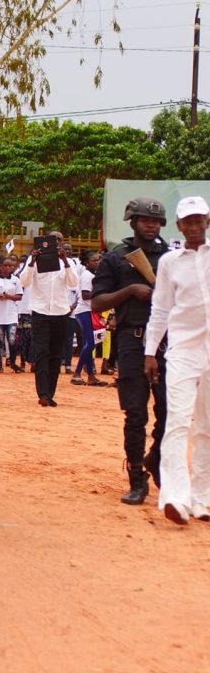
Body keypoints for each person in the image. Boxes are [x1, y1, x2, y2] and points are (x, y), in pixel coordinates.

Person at [91, 197, 169, 505]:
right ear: (132, 222)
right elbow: (97, 303)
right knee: (135, 413)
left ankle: (156, 457)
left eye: (156, 221)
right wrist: (130, 292)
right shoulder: (116, 258)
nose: (151, 225)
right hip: (131, 340)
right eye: (144, 220)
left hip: (166, 341)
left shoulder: (170, 257)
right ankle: (137, 477)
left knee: (169, 410)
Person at [144, 196, 210, 525]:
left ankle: (203, 499)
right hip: (183, 350)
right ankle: (175, 499)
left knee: (208, 428)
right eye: (189, 221)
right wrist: (150, 351)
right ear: (180, 225)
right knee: (178, 422)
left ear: (207, 222)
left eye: (201, 220)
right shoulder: (170, 262)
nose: (195, 226)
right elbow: (160, 309)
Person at [20, 231, 78, 407]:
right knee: (41, 352)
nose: (57, 244)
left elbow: (74, 282)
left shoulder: (68, 263)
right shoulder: (36, 261)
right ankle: (43, 394)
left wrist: (66, 261)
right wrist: (32, 261)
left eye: (59, 241)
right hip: (40, 312)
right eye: (54, 240)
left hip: (60, 312)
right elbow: (24, 282)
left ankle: (50, 393)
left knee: (56, 354)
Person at [70, 250, 107, 387]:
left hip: (89, 311)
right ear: (86, 263)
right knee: (90, 343)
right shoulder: (87, 276)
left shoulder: (94, 275)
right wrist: (101, 293)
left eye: (98, 260)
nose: (97, 262)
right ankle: (77, 373)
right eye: (93, 260)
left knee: (89, 343)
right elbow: (85, 295)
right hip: (84, 311)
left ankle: (90, 376)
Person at [0, 256, 23, 373]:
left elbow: (19, 296)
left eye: (10, 266)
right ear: (0, 266)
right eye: (5, 265)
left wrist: (8, 297)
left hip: (11, 314)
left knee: (12, 340)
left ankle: (12, 362)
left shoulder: (15, 280)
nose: (8, 268)